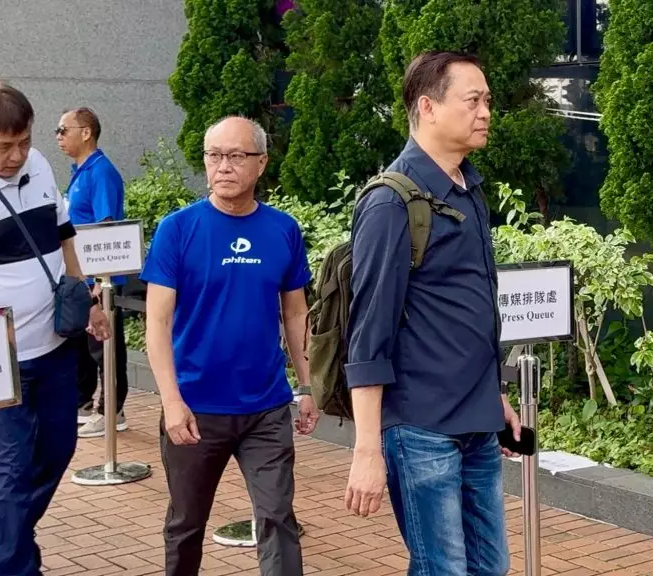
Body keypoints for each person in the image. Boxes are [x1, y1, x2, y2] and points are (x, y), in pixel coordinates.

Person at [343, 51, 521, 575]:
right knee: (442, 569)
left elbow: (468, 310)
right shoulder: (391, 203)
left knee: (491, 567)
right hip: (420, 428)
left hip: (476, 423)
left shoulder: (468, 188)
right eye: (473, 100)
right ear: (428, 107)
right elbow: (368, 335)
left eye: (488, 100)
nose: (486, 111)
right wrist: (367, 450)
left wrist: (494, 397)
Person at [141, 115, 320, 576]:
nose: (223, 166)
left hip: (266, 408)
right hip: (195, 410)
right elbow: (157, 322)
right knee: (186, 524)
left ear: (261, 163)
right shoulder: (177, 229)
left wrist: (307, 385)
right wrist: (171, 401)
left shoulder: (283, 230)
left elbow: (295, 313)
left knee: (278, 519)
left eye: (237, 155)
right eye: (214, 155)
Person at [0, 82, 110, 575]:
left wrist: (88, 299)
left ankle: (13, 538)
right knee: (7, 471)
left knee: (58, 448)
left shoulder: (40, 165)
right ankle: (15, 565)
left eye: (24, 141)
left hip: (55, 346)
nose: (16, 156)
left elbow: (65, 236)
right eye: (4, 146)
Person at [55, 106, 131, 438]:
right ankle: (83, 403)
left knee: (106, 347)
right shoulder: (80, 172)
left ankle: (113, 411)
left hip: (100, 281)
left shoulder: (101, 173)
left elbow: (106, 227)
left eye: (63, 130)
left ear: (86, 133)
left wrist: (101, 282)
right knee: (83, 346)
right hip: (80, 278)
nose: (58, 137)